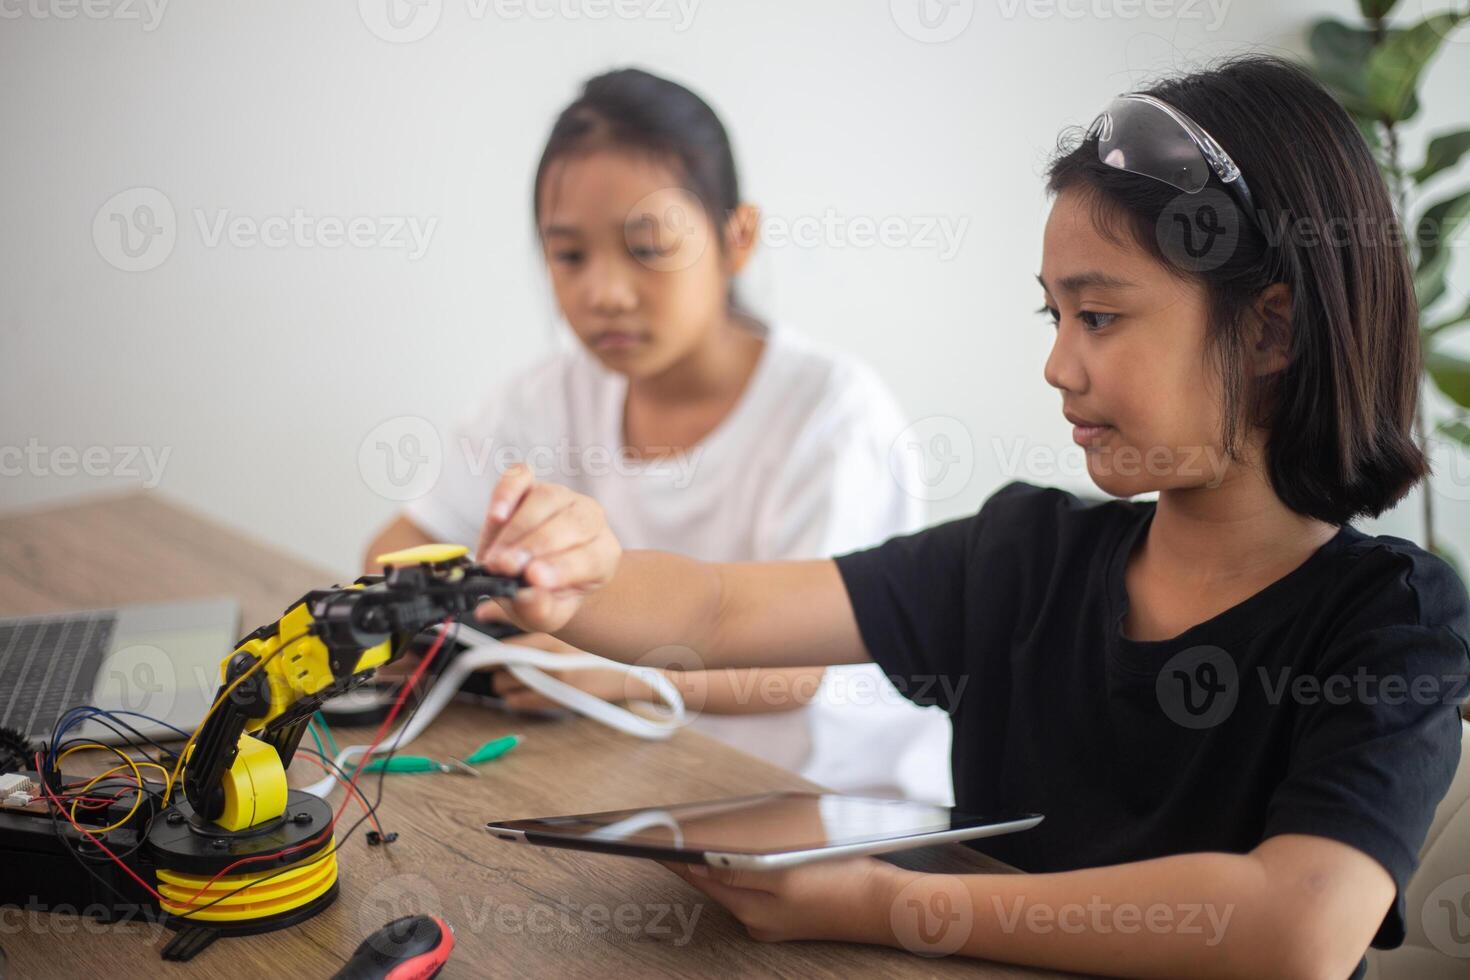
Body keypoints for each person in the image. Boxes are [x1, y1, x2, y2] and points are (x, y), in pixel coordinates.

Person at [461, 57, 1470, 977]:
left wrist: (894, 903)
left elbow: (1296, 926)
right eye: (1055, 315)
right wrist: (585, 572)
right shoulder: (1026, 555)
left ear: (1271, 329)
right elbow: (718, 607)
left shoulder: (1393, 617)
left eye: (1102, 315)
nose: (1058, 364)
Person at [365, 67, 952, 806]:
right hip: (636, 785)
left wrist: (607, 669)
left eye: (646, 248)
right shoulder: (546, 395)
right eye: (570, 255)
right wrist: (484, 610)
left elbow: (800, 668)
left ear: (738, 239)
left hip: (830, 807)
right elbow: (394, 550)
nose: (603, 292)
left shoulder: (832, 414)